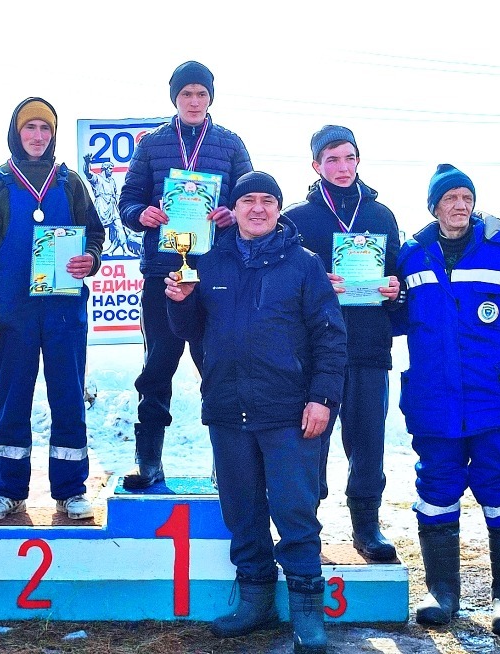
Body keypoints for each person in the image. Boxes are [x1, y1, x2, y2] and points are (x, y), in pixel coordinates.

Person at [167, 171, 346, 654]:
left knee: (295, 510)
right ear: (235, 208)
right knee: (242, 511)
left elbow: (331, 335)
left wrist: (323, 398)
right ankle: (256, 603)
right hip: (228, 409)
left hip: (289, 412)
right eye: (248, 200)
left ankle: (309, 614)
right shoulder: (210, 261)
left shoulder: (304, 265)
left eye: (268, 200)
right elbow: (191, 331)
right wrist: (179, 301)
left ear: (279, 209)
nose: (258, 208)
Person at [394, 164, 500, 637]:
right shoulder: (411, 256)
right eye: (450, 198)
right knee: (435, 494)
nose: (460, 205)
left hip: (495, 401)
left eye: (467, 197)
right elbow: (392, 318)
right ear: (434, 206)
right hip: (433, 401)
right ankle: (442, 593)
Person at [0, 97, 104, 521]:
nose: (38, 137)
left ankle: (70, 490)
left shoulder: (71, 183)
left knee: (68, 398)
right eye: (30, 128)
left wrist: (91, 260)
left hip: (64, 310)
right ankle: (8, 490)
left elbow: (96, 235)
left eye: (45, 129)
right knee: (13, 399)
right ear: (16, 132)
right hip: (13, 312)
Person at [118, 60, 253, 490]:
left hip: (215, 274)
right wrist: (144, 213)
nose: (194, 101)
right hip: (163, 272)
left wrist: (232, 212)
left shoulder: (230, 144)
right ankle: (148, 459)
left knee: (217, 364)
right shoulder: (153, 144)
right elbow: (127, 201)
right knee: (158, 364)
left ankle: (227, 461)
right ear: (174, 98)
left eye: (201, 93)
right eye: (185, 94)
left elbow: (250, 198)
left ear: (211, 97)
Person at [284, 125, 400, 563]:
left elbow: (398, 275)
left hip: (369, 346)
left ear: (358, 160)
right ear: (316, 165)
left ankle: (366, 525)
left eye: (348, 157)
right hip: (315, 352)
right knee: (310, 439)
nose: (341, 166)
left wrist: (396, 288)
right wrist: (315, 286)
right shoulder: (298, 217)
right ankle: (305, 523)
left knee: (368, 441)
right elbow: (284, 282)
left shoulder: (380, 216)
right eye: (331, 159)